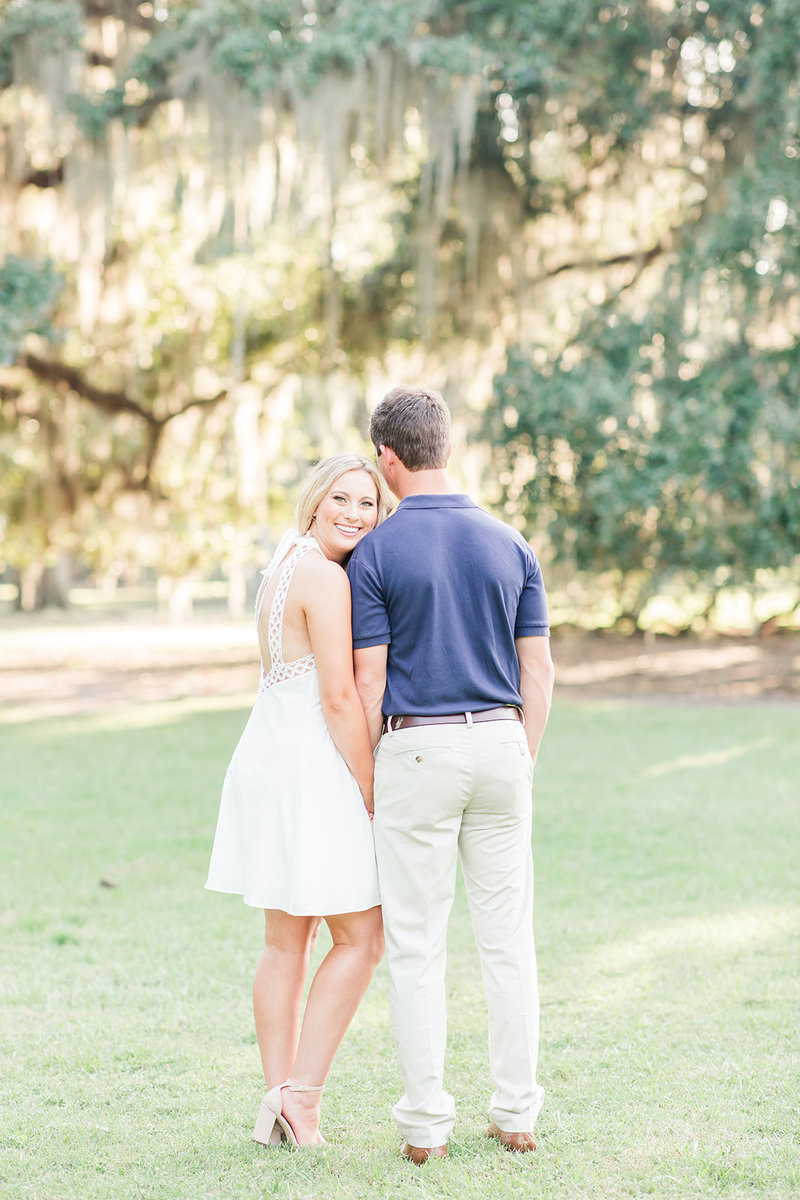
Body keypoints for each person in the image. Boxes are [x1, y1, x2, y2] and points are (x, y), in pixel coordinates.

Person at [349, 386, 555, 1164]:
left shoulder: (375, 551)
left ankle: (425, 1127)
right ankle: (516, 1114)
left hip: (418, 749)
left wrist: (372, 774)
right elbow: (538, 668)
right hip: (503, 744)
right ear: (446, 445)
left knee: (417, 946)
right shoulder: (510, 541)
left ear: (388, 459)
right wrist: (520, 753)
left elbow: (370, 684)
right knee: (508, 944)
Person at [206, 452, 390, 1148]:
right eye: (340, 499)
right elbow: (340, 696)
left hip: (267, 756)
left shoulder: (282, 568)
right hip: (311, 764)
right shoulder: (322, 575)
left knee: (286, 942)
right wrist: (370, 784)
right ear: (314, 502)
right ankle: (301, 1098)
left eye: (367, 503)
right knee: (362, 938)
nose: (353, 513)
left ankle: (277, 1095)